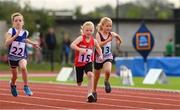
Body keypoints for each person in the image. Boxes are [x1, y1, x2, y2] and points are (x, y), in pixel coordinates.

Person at [5, 12, 40, 97]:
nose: (18, 22)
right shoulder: (11, 31)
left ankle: (26, 86)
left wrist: (32, 43)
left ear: (23, 22)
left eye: (20, 20)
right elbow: (6, 43)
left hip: (22, 56)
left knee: (23, 68)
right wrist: (15, 36)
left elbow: (24, 40)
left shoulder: (25, 32)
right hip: (12, 57)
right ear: (13, 23)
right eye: (16, 20)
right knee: (15, 76)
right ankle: (13, 85)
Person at [70, 21, 103, 102]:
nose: (89, 32)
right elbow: (72, 45)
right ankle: (78, 76)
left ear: (93, 31)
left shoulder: (94, 41)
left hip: (88, 62)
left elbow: (98, 48)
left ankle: (89, 94)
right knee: (79, 83)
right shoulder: (81, 38)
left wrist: (101, 55)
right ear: (83, 31)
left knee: (91, 75)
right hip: (79, 63)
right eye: (87, 30)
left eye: (90, 30)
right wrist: (79, 49)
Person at [93, 17, 122, 102]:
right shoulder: (99, 34)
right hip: (99, 57)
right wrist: (108, 40)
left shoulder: (111, 33)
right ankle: (94, 91)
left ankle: (106, 81)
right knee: (96, 77)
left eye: (110, 26)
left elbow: (118, 37)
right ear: (102, 26)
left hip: (107, 56)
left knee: (108, 71)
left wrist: (118, 41)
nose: (109, 28)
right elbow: (99, 44)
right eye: (107, 26)